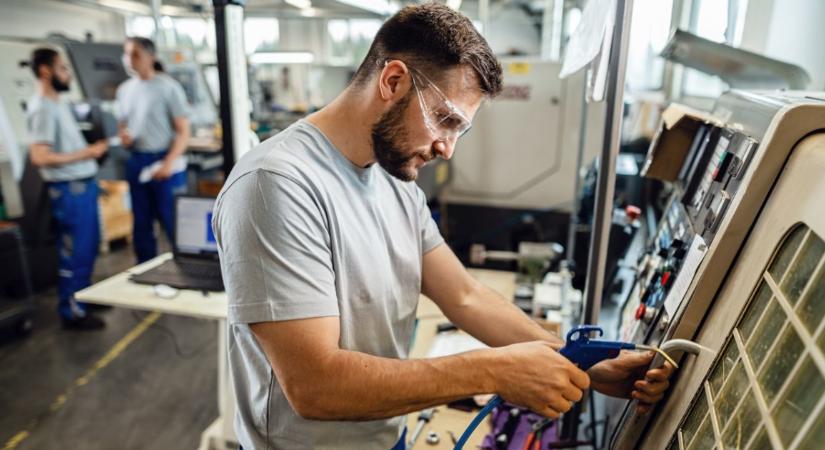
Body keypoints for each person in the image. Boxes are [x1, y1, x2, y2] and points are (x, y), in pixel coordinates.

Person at [212, 4, 674, 450]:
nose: (448, 148)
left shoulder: (393, 181)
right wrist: (492, 371)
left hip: (386, 437)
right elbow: (315, 387)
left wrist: (582, 363)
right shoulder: (275, 186)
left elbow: (464, 296)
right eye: (446, 119)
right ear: (393, 80)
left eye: (460, 129)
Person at [27, 48, 108, 330]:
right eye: (62, 68)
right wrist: (86, 154)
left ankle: (83, 295)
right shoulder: (43, 108)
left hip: (82, 186)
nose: (68, 73)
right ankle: (72, 311)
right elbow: (39, 156)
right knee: (74, 252)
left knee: (87, 248)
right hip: (68, 190)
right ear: (45, 71)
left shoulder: (57, 101)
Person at [116, 36, 190, 263]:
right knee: (141, 223)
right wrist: (125, 138)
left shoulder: (168, 88)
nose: (130, 59)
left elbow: (183, 131)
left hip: (165, 160)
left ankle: (188, 270)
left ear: (151, 57)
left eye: (136, 54)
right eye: (127, 54)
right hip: (137, 159)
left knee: (174, 222)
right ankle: (146, 270)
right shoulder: (124, 90)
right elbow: (123, 126)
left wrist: (168, 163)